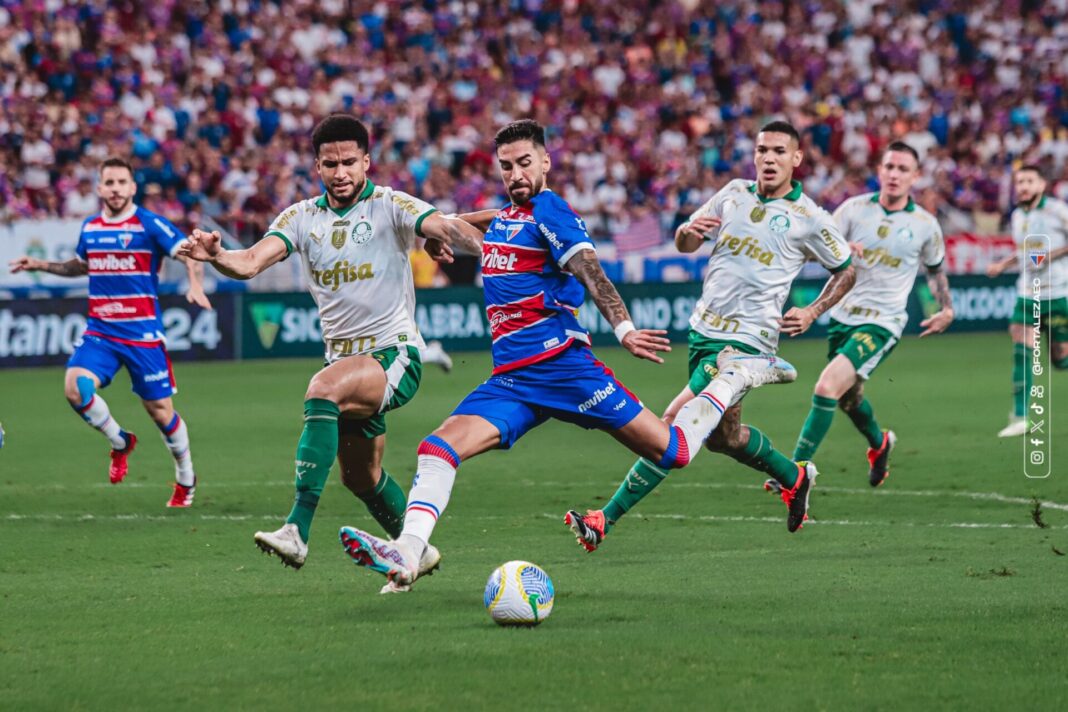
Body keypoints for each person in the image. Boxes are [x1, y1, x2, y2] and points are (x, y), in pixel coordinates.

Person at [335, 119, 797, 591]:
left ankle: (733, 377)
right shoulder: (509, 216)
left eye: (524, 163)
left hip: (564, 369)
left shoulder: (551, 213)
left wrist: (625, 328)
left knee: (674, 451)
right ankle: (408, 554)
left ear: (546, 162)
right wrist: (440, 233)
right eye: (506, 166)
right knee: (437, 448)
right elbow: (480, 220)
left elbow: (590, 271)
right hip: (513, 380)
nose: (515, 174)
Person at [178, 114, 485, 572]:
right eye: (329, 164)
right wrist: (218, 255)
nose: (340, 172)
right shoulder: (301, 218)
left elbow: (444, 225)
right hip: (347, 362)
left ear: (366, 162)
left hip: (394, 354)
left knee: (322, 388)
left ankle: (296, 531)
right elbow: (250, 263)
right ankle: (416, 549)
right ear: (317, 167)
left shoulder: (390, 205)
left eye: (348, 162)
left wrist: (487, 251)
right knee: (361, 477)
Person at [564, 120, 857, 549]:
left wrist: (813, 310)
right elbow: (688, 242)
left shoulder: (809, 218)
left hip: (747, 342)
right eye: (762, 150)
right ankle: (795, 477)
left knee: (669, 426)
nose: (769, 159)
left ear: (796, 158)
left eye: (779, 151)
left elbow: (847, 269)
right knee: (724, 438)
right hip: (704, 330)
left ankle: (603, 520)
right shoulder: (734, 192)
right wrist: (686, 234)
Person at [9, 157, 212, 507]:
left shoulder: (149, 225)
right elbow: (82, 266)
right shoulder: (90, 227)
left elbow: (189, 252)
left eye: (122, 182)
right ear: (100, 188)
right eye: (109, 182)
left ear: (132, 187)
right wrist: (39, 264)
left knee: (161, 412)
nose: (115, 189)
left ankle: (185, 477)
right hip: (100, 332)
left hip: (142, 335)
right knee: (75, 387)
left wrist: (195, 282)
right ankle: (120, 441)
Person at [777, 141, 954, 489]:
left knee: (827, 387)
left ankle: (794, 473)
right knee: (849, 399)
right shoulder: (853, 210)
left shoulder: (925, 225)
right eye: (889, 167)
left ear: (915, 176)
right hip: (842, 317)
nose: (894, 174)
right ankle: (880, 442)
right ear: (879, 170)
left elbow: (936, 272)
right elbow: (812, 253)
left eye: (903, 169)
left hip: (883, 322)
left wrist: (946, 308)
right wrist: (840, 250)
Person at [986, 165, 1068, 437]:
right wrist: (1003, 263)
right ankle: (1020, 416)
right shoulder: (1018, 214)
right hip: (1027, 293)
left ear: (1042, 185)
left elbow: (1042, 254)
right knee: (1021, 350)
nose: (1023, 186)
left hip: (1057, 293)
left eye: (1029, 181)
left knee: (1060, 359)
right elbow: (1024, 251)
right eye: (1019, 181)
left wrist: (1048, 256)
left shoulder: (1057, 210)